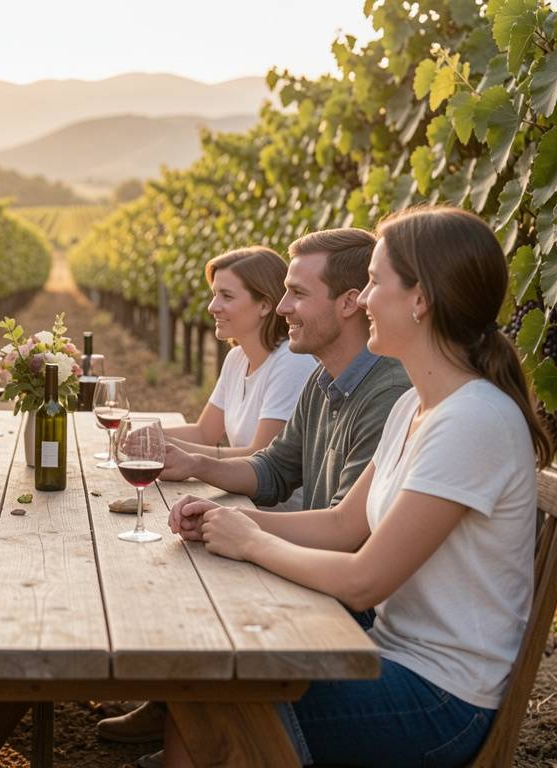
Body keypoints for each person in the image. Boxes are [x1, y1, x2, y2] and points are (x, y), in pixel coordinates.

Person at [165, 206, 557, 766]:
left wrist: (250, 542)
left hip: (440, 700)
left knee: (212, 693)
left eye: (375, 282)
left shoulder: (473, 420)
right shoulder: (414, 405)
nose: (364, 299)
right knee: (211, 669)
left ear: (419, 299)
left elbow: (364, 581)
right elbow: (344, 524)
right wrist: (229, 521)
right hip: (390, 658)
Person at [103, 228, 410, 757]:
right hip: (320, 573)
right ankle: (189, 733)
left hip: (342, 604)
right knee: (186, 579)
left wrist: (245, 531)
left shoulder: (388, 394)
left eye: (297, 294)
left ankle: (203, 743)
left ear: (349, 304)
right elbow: (273, 468)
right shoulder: (325, 378)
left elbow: (347, 534)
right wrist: (196, 464)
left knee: (202, 631)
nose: (284, 307)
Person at [163, 246, 316, 508]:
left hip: (276, 520)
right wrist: (147, 434)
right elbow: (204, 433)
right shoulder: (236, 359)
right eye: (214, 295)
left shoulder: (292, 363)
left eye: (226, 296)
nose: (213, 306)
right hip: (239, 504)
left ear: (265, 305)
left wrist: (170, 448)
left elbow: (259, 456)